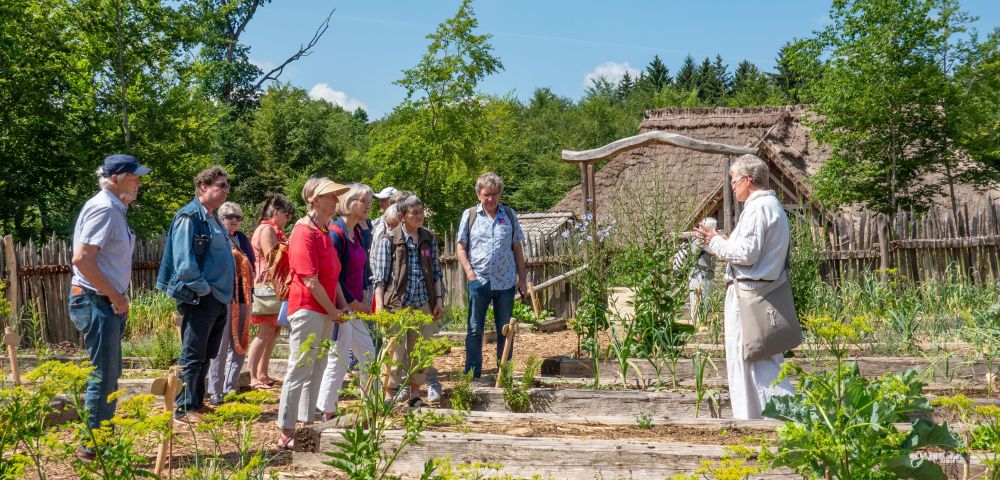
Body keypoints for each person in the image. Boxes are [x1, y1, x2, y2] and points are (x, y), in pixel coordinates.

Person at [695, 154, 794, 420]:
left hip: (749, 295)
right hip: (760, 290)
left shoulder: (759, 208)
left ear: (747, 180)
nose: (732, 185)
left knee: (751, 358)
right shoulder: (769, 207)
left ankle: (778, 419)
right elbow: (751, 251)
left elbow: (746, 254)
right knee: (758, 358)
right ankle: (764, 419)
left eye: (734, 180)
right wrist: (722, 240)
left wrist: (713, 242)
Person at [69, 154, 150, 460]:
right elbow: (82, 259)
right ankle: (92, 447)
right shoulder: (104, 209)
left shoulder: (115, 209)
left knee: (109, 373)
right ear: (115, 178)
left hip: (103, 301)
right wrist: (115, 297)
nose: (139, 181)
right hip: (96, 300)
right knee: (103, 375)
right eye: (134, 176)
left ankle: (100, 441)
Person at [156, 166, 235, 423]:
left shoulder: (211, 217)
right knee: (192, 353)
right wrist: (205, 289)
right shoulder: (189, 217)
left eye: (226, 186)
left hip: (218, 298)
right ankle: (184, 408)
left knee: (206, 352)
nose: (226, 190)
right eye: (221, 185)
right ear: (203, 187)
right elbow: (184, 264)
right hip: (201, 296)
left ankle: (196, 402)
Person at [276, 177, 350, 449]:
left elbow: (334, 276)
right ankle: (286, 428)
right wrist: (333, 310)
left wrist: (341, 306)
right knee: (300, 367)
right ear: (314, 200)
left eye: (336, 196)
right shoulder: (303, 232)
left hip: (325, 309)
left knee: (317, 367)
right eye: (331, 196)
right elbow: (309, 279)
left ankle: (308, 425)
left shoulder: (324, 230)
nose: (335, 200)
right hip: (307, 308)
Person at [371, 193, 445, 404]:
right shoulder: (389, 240)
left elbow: (436, 272)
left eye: (421, 212)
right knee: (394, 350)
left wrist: (438, 300)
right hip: (397, 304)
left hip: (423, 301)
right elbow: (380, 278)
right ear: (402, 216)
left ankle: (414, 394)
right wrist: (380, 306)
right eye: (415, 213)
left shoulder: (428, 238)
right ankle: (389, 395)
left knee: (420, 350)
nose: (420, 216)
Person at [456, 172, 527, 379]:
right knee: (475, 329)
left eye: (495, 194)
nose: (491, 199)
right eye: (486, 194)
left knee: (505, 330)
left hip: (505, 282)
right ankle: (472, 375)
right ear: (479, 194)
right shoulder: (469, 216)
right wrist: (470, 273)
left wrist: (522, 279)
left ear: (500, 194)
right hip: (479, 281)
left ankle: (504, 373)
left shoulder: (509, 215)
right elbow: (460, 247)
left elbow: (517, 248)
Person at [317, 184, 377, 419]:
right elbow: (333, 275)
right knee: (339, 357)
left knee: (368, 352)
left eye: (369, 201)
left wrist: (363, 294)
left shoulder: (359, 232)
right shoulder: (335, 233)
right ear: (349, 202)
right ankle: (326, 409)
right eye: (364, 200)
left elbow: (362, 267)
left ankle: (371, 402)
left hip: (356, 304)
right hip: (340, 305)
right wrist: (352, 301)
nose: (368, 205)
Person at [207, 202, 255, 406]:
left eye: (238, 217)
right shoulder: (217, 238)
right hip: (224, 298)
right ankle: (215, 390)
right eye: (230, 216)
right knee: (221, 345)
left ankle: (231, 388)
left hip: (243, 297)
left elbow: (251, 265)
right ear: (221, 218)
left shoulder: (242, 239)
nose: (234, 220)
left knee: (240, 344)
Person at [247, 192, 296, 390]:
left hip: (274, 287)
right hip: (265, 287)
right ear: (276, 213)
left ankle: (263, 373)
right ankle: (252, 376)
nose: (288, 219)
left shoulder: (273, 230)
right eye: (287, 215)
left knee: (273, 330)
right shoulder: (267, 229)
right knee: (265, 330)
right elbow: (272, 257)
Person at [673, 217, 717, 325]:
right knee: (699, 299)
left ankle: (699, 321)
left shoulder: (697, 238)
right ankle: (698, 323)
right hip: (700, 274)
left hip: (700, 274)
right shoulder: (700, 239)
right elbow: (713, 251)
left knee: (702, 299)